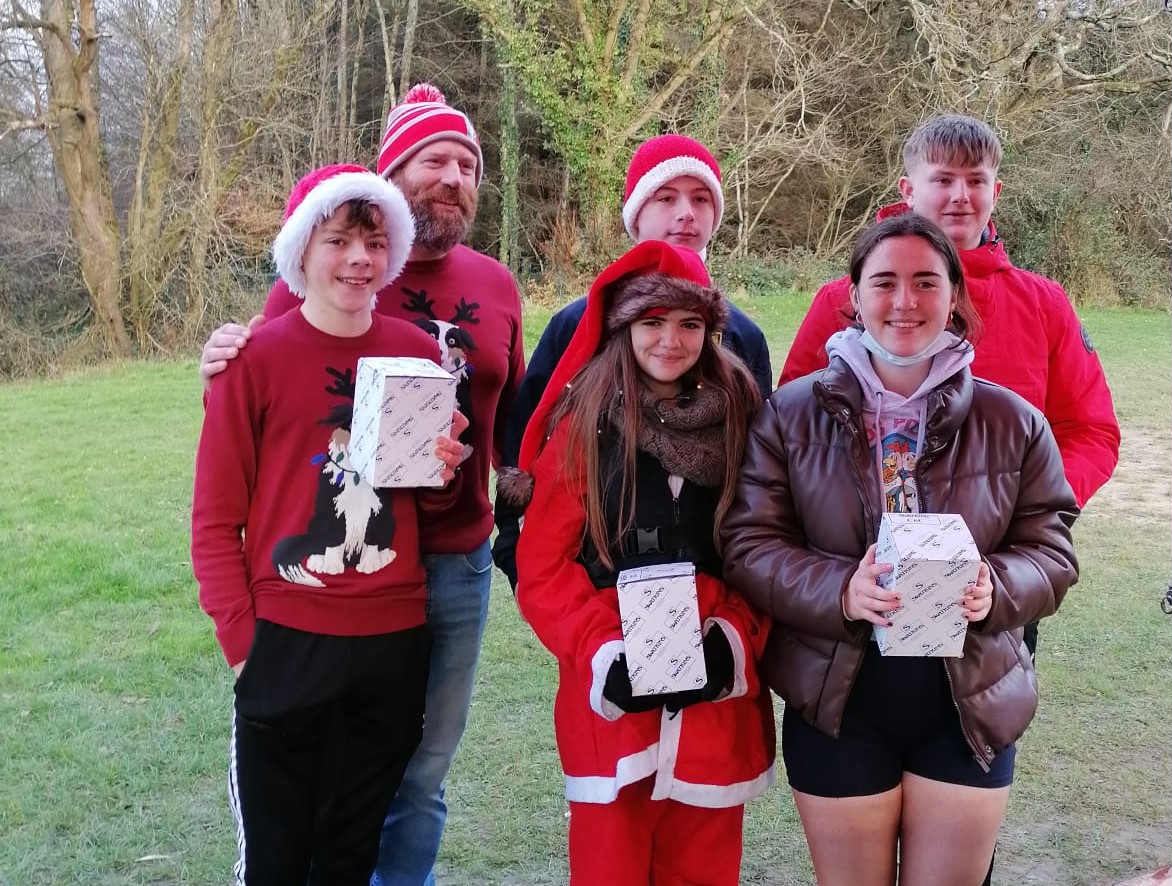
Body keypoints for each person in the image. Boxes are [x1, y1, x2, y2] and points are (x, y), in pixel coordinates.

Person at [198, 85, 524, 886]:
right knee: (282, 846)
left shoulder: (435, 331)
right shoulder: (267, 345)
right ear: (304, 250)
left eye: (466, 163)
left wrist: (454, 471)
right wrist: (246, 643)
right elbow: (221, 508)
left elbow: (445, 477)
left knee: (402, 791)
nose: (356, 258)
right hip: (294, 623)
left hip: (412, 606)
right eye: (432, 159)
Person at [720, 214, 1080, 886]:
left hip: (968, 701)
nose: (905, 301)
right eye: (884, 282)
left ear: (953, 297)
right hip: (837, 702)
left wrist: (992, 585)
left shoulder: (1013, 422)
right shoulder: (790, 414)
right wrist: (839, 591)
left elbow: (1051, 549)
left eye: (925, 281)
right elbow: (747, 544)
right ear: (852, 297)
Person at [505, 240, 776, 885]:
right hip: (611, 707)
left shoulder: (746, 421)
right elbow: (542, 566)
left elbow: (768, 552)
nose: (670, 340)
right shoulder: (582, 427)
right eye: (651, 322)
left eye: (688, 324)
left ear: (711, 332)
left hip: (717, 704)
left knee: (703, 868)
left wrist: (731, 644)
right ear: (623, 327)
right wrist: (602, 654)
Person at [780, 114, 1118, 514]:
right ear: (908, 190)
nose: (960, 195)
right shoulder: (840, 300)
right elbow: (793, 429)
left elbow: (1089, 430)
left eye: (975, 180)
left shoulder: (1044, 304)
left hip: (1000, 557)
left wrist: (1032, 511)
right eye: (943, 180)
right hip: (863, 553)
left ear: (996, 191)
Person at [491, 134, 773, 591]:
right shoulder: (575, 325)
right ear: (635, 214)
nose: (686, 212)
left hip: (709, 592)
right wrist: (520, 556)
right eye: (666, 197)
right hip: (594, 586)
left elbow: (757, 467)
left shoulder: (743, 337)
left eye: (701, 199)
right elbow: (526, 438)